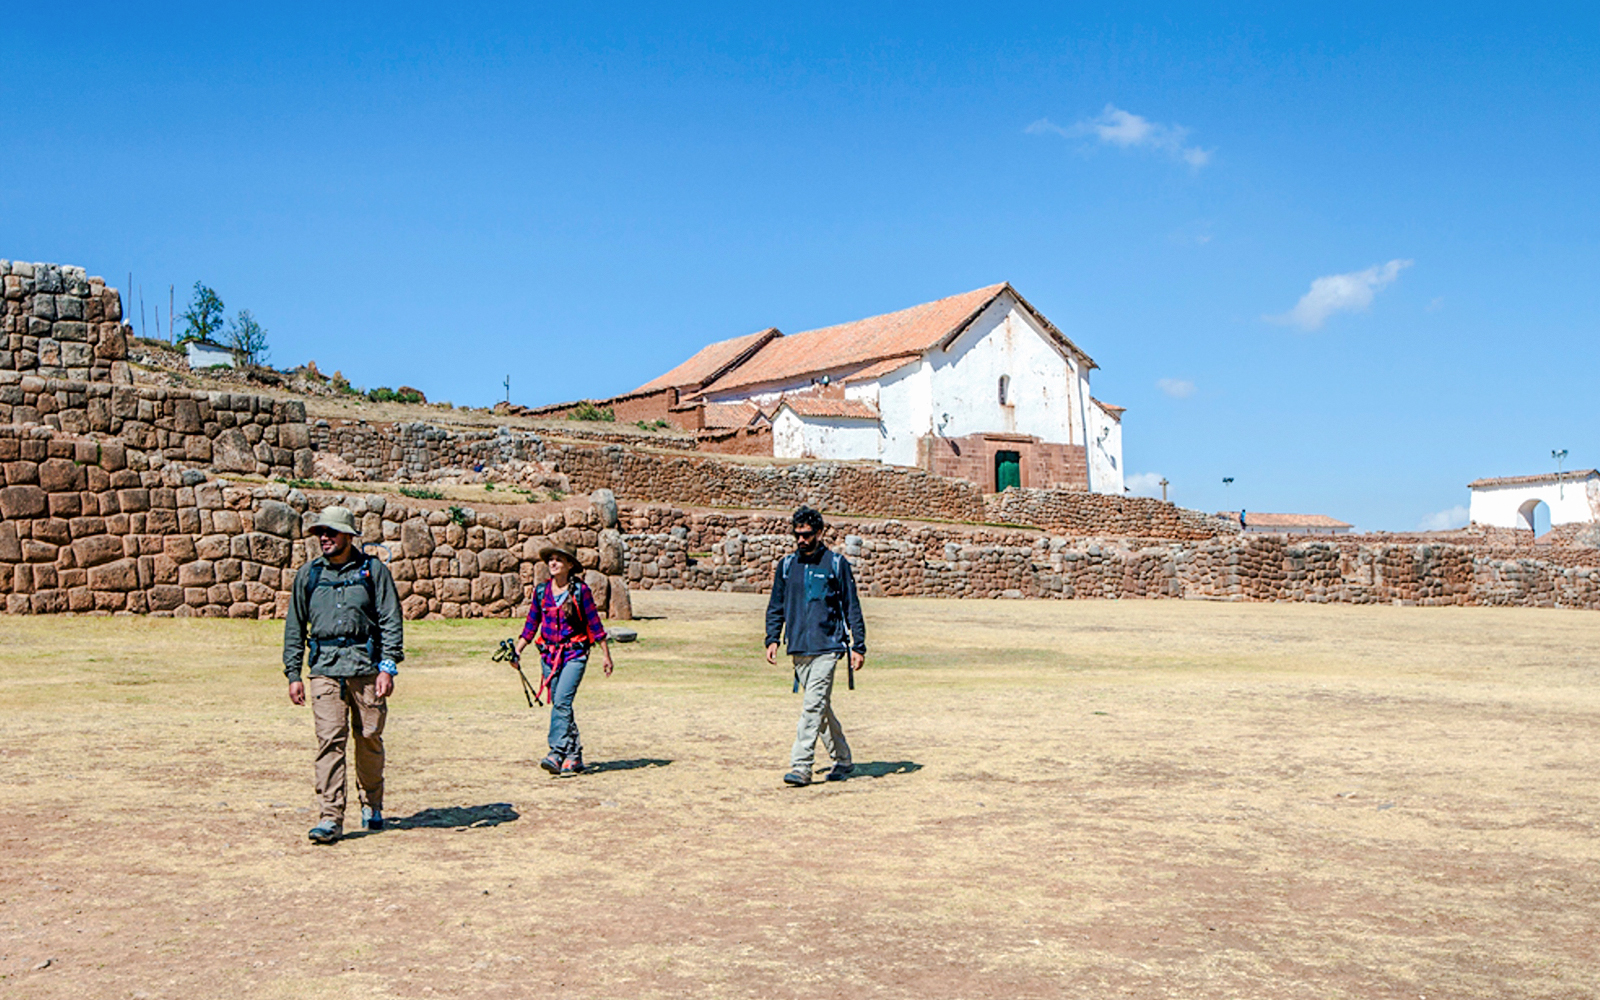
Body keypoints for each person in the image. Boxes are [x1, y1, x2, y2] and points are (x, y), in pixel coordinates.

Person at [282, 506, 405, 844]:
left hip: (366, 668)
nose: (324, 537)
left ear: (348, 536)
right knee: (330, 741)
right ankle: (330, 818)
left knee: (368, 737)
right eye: (321, 532)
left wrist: (388, 666)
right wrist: (293, 672)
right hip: (324, 669)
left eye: (331, 532)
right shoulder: (308, 575)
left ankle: (372, 802)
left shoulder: (373, 571)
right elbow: (295, 626)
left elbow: (391, 619)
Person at [765, 506, 866, 787]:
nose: (801, 540)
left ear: (819, 533)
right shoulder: (786, 566)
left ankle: (801, 766)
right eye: (797, 534)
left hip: (828, 646)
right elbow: (776, 605)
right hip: (798, 646)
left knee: (811, 707)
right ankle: (843, 758)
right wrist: (772, 637)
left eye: (807, 534)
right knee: (819, 707)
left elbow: (851, 606)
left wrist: (859, 644)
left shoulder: (836, 564)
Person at [512, 542, 614, 776]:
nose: (553, 563)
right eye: (551, 559)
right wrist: (517, 650)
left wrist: (606, 655)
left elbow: (595, 624)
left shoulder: (580, 591)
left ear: (569, 565)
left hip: (575, 655)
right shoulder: (541, 591)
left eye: (559, 559)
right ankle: (574, 755)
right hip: (548, 655)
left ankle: (556, 753)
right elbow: (531, 625)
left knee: (562, 702)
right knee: (561, 705)